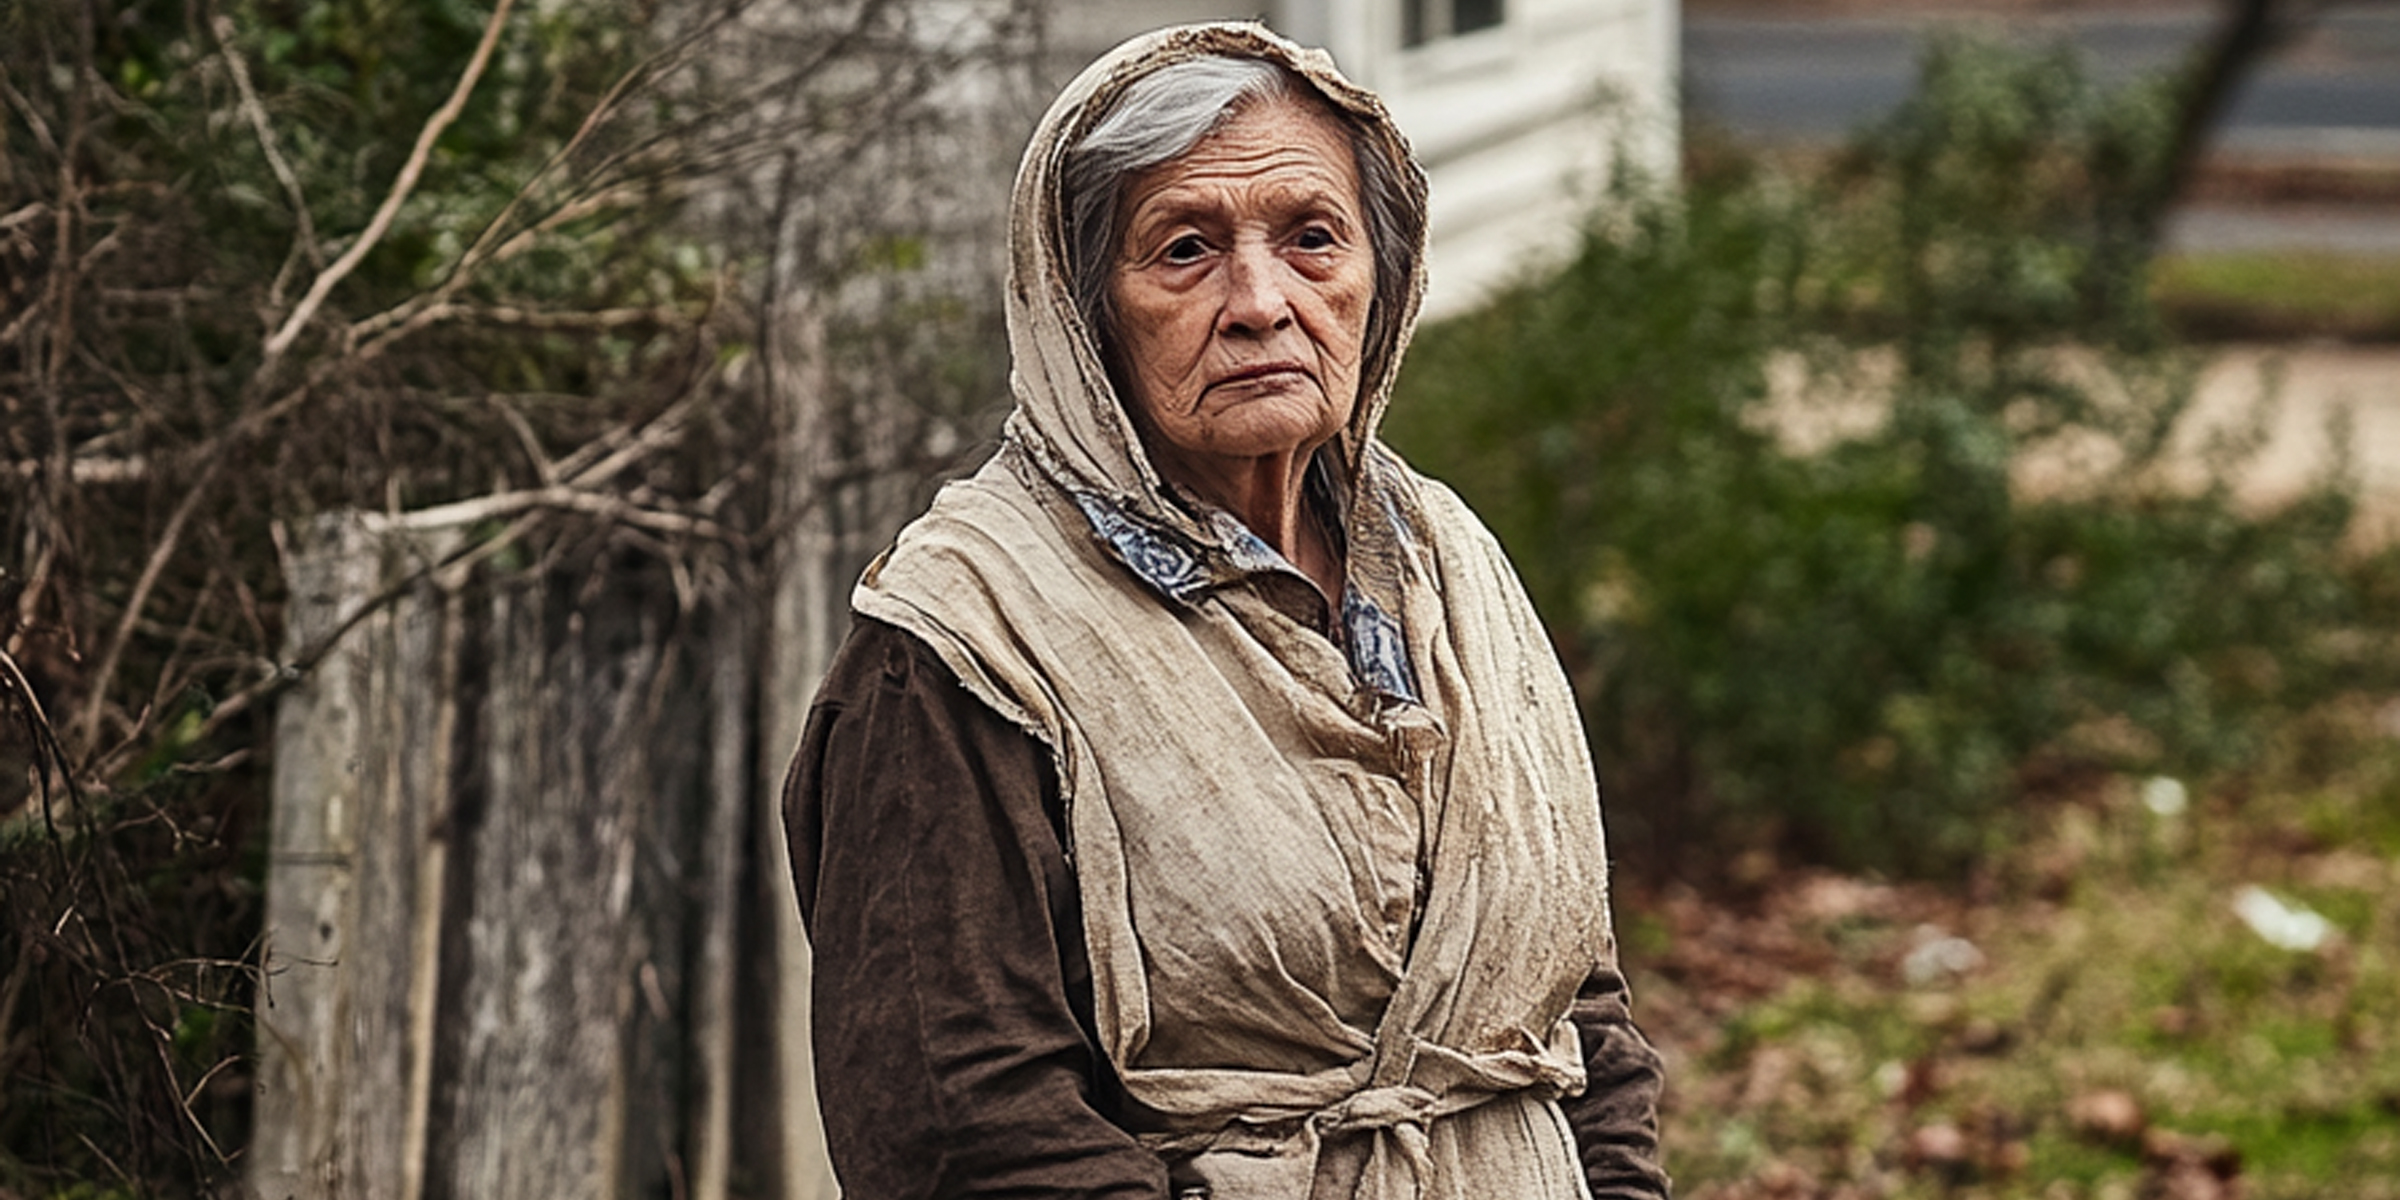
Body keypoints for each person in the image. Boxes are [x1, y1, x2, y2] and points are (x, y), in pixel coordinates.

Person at [783, 22, 1671, 1200]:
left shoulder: (1447, 562)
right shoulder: (966, 642)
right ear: (1085, 311)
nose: (1261, 301)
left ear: (1381, 280)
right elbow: (967, 1132)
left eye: (1311, 239)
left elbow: (1570, 1005)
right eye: (1185, 250)